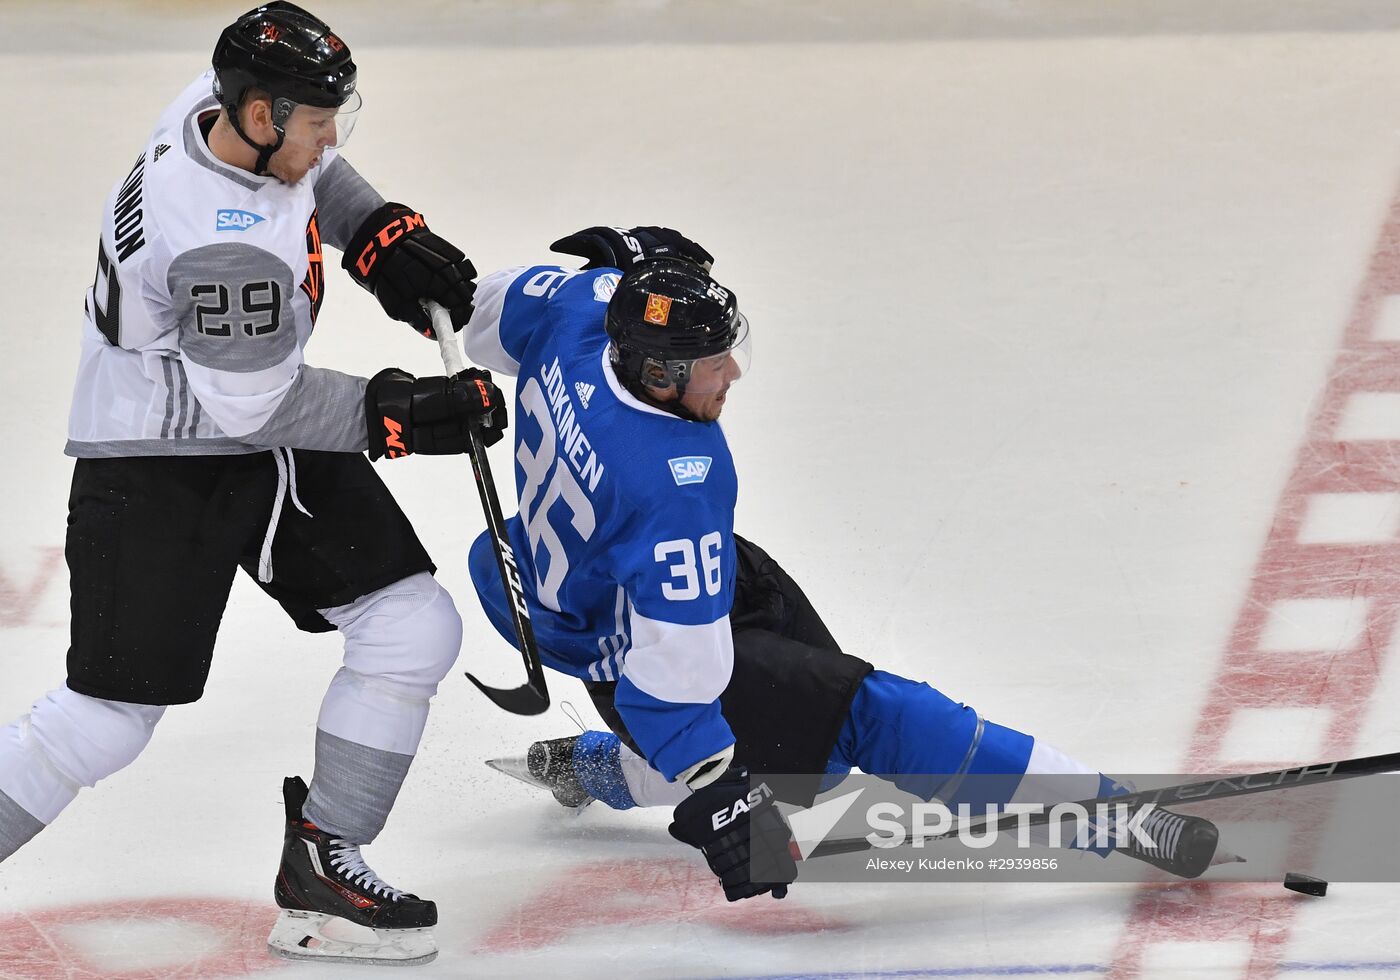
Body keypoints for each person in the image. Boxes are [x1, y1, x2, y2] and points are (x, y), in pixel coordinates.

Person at [459, 226, 1229, 902]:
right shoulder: (673, 484)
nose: (732, 374)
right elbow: (667, 692)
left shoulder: (582, 309)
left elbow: (484, 318)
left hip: (603, 579)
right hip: (635, 640)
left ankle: (596, 767)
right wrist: (718, 799)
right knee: (873, 718)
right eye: (711, 362)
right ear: (658, 373)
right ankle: (1117, 818)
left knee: (808, 769)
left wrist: (644, 273)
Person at [0, 2, 506, 966]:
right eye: (317, 124)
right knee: (105, 722)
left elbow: (313, 178)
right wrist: (405, 415)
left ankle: (323, 869)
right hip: (154, 459)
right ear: (264, 114)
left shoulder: (213, 105)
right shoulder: (223, 245)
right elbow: (253, 412)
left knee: (410, 623)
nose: (329, 141)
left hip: (239, 418)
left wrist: (373, 233)